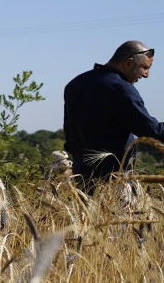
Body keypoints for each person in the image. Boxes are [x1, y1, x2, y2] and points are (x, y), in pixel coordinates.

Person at [63, 41, 164, 185]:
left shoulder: (76, 83)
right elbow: (150, 130)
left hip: (81, 174)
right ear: (129, 63)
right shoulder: (120, 88)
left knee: (88, 208)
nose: (146, 75)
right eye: (145, 68)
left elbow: (69, 129)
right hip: (114, 178)